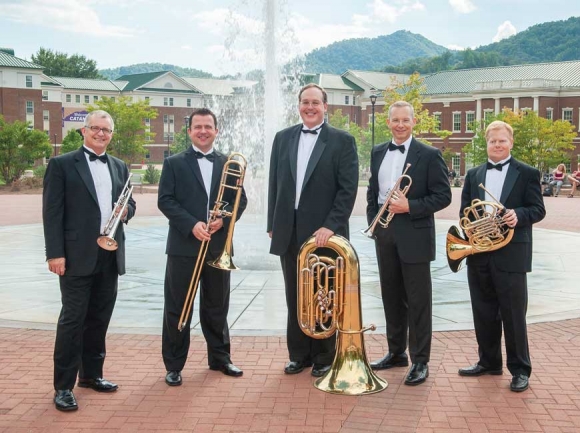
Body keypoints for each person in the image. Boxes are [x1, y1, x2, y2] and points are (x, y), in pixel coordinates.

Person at [43, 110, 136, 411]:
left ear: (111, 134)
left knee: (99, 317)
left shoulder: (120, 166)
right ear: (83, 131)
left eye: (106, 130)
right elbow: (52, 212)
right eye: (95, 128)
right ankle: (63, 387)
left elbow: (129, 201)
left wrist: (127, 211)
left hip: (109, 253)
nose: (100, 134)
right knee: (72, 320)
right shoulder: (61, 164)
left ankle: (92, 375)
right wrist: (54, 253)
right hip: (74, 255)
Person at [267, 83, 359, 378]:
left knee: (323, 294)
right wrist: (272, 223)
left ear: (325, 106)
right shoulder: (283, 138)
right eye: (305, 102)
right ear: (299, 105)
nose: (309, 107)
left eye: (315, 102)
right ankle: (299, 354)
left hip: (324, 235)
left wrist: (330, 226)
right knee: (294, 294)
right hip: (288, 231)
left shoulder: (342, 141)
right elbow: (274, 184)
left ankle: (323, 355)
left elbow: (347, 190)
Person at [158, 107, 247, 387]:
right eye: (198, 127)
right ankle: (174, 365)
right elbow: (166, 200)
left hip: (218, 246)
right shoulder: (174, 163)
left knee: (217, 305)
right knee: (177, 306)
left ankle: (220, 358)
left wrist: (224, 219)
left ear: (216, 130)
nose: (203, 131)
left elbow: (239, 201)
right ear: (190, 131)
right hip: (184, 246)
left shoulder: (229, 162)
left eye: (208, 126)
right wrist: (191, 224)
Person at [366, 101, 451, 386]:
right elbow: (372, 193)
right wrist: (374, 225)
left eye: (405, 120)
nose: (400, 125)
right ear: (388, 122)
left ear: (414, 122)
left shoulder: (429, 154)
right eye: (395, 120)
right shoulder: (378, 151)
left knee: (418, 300)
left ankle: (420, 360)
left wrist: (410, 206)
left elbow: (443, 196)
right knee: (391, 296)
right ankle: (395, 352)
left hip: (413, 232)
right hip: (385, 233)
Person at [458, 120, 545, 392]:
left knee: (513, 314)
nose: (497, 145)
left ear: (511, 143)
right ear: (486, 143)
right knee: (483, 311)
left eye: (502, 140)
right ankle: (489, 361)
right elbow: (465, 213)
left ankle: (520, 369)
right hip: (480, 253)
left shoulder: (528, 173)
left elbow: (537, 209)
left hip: (511, 254)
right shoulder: (473, 174)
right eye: (492, 141)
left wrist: (518, 215)